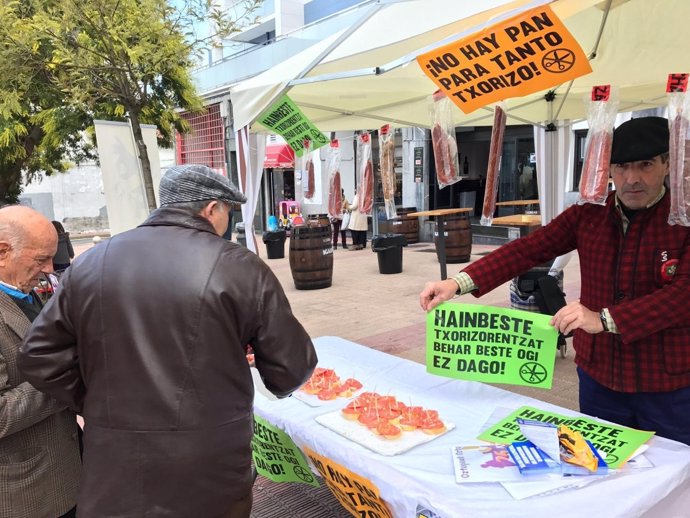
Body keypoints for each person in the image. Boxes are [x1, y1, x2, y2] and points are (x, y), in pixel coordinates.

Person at [19, 164, 318, 517]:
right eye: (228, 211)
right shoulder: (241, 266)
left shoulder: (90, 264)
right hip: (209, 460)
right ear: (211, 209)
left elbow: (38, 357)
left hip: (116, 458)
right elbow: (290, 368)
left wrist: (95, 402)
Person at [420, 117, 690, 446]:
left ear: (666, 164)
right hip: (599, 377)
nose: (631, 178)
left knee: (675, 475)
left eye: (645, 165)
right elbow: (530, 249)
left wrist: (605, 318)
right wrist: (459, 282)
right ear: (607, 170)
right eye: (621, 167)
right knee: (600, 469)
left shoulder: (683, 217)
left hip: (667, 382)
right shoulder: (589, 213)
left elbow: (682, 296)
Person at [0, 206, 81, 518]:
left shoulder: (23, 292)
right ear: (3, 252)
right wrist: (68, 375)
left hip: (59, 475)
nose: (49, 269)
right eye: (40, 259)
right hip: (23, 495)